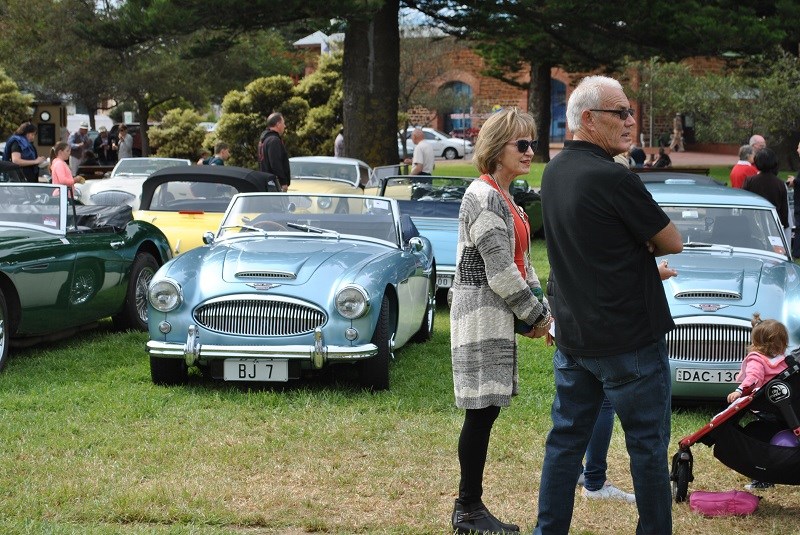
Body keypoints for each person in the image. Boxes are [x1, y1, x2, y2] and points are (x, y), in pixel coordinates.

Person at [535, 75, 683, 535]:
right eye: (620, 113)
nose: (630, 121)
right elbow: (671, 241)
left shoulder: (553, 172)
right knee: (647, 447)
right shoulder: (615, 177)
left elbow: (587, 248)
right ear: (588, 119)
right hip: (629, 342)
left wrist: (635, 261)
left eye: (629, 112)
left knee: (564, 443)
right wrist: (642, 254)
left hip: (575, 339)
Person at [450, 107, 551, 535]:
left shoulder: (507, 198)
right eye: (522, 144)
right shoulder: (484, 195)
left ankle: (470, 507)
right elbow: (500, 272)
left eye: (532, 143)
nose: (531, 151)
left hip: (496, 315)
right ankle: (467, 509)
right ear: (496, 149)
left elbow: (523, 266)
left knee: (486, 410)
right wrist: (538, 318)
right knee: (481, 410)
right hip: (480, 315)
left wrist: (539, 317)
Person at [571, 259, 678, 504]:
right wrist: (652, 273)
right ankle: (594, 481)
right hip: (608, 327)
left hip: (576, 323)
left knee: (576, 413)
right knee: (605, 405)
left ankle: (583, 475)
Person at [726, 313, 789, 490]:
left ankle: (763, 478)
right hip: (784, 408)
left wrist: (740, 391)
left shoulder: (756, 359)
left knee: (760, 438)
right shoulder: (785, 362)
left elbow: (753, 378)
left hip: (766, 407)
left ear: (757, 342)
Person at [743, 148, 790, 246]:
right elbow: (784, 209)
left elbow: (744, 204)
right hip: (774, 223)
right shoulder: (780, 184)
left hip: (752, 223)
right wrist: (785, 225)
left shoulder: (750, 181)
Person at [258, 112, 290, 191]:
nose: (285, 126)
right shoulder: (274, 140)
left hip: (266, 182)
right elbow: (275, 163)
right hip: (275, 184)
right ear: (278, 124)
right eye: (283, 123)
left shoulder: (264, 140)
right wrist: (283, 182)